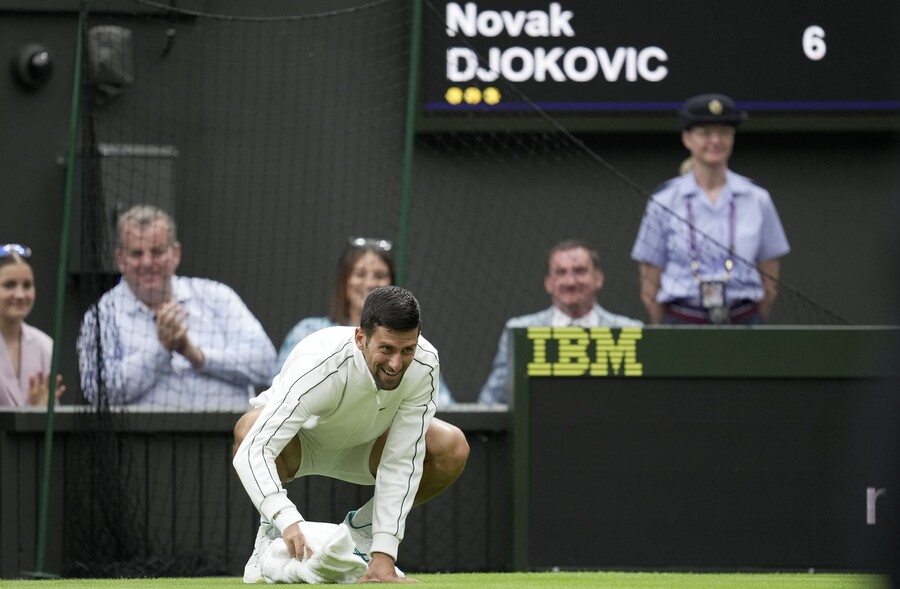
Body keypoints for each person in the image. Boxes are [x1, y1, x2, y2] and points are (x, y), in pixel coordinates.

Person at [232, 285, 469, 584]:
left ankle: (363, 531)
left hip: (366, 450)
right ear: (361, 338)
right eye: (386, 349)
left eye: (407, 350)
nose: (396, 364)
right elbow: (255, 449)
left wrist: (384, 555)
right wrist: (285, 519)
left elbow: (402, 460)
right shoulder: (318, 361)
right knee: (250, 428)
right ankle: (269, 533)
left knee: (451, 446)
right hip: (300, 446)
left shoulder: (424, 364)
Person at [77, 205, 276, 410]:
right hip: (141, 440)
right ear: (120, 259)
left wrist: (196, 355)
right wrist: (161, 350)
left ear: (175, 254)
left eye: (157, 252)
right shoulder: (102, 315)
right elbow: (96, 391)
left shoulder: (217, 296)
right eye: (136, 254)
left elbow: (265, 362)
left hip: (232, 435)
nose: (147, 263)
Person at [631, 93, 790, 325]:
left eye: (724, 133)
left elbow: (770, 284)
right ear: (687, 139)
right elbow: (649, 286)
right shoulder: (664, 201)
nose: (715, 141)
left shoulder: (757, 199)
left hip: (744, 321)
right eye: (705, 133)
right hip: (681, 323)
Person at [274, 236, 456, 406]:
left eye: (379, 275)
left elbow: (441, 402)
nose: (369, 283)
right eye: (360, 274)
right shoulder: (308, 331)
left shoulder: (407, 342)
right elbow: (281, 391)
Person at [477, 239, 642, 406]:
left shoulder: (629, 331)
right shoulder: (520, 332)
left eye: (580, 271)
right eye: (561, 273)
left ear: (598, 278)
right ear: (549, 283)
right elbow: (492, 399)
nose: (570, 282)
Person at [0, 244, 65, 407]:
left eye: (27, 285)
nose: (20, 295)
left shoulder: (45, 346)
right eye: (9, 285)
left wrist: (40, 410)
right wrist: (32, 411)